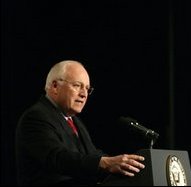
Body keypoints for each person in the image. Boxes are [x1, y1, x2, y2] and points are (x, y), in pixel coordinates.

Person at [15, 60, 145, 186]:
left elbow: (91, 154)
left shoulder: (74, 120)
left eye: (87, 89)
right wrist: (105, 163)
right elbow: (57, 157)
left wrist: (124, 165)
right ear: (55, 86)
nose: (84, 94)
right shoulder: (36, 117)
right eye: (77, 85)